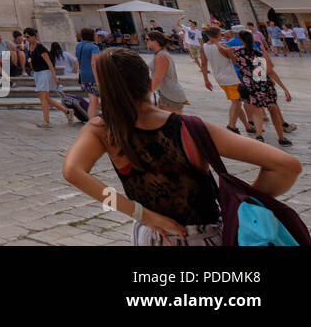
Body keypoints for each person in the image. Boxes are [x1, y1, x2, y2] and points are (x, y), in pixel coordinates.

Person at [62, 47, 302, 246]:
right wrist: (242, 202)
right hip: (204, 237)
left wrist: (139, 213)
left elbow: (72, 172)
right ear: (149, 84)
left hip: (151, 235)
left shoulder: (102, 129)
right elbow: (286, 165)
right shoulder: (190, 128)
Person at [231, 30, 294, 146]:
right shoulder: (258, 53)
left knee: (256, 111)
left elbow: (225, 51)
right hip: (263, 85)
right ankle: (281, 138)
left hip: (250, 85)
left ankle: (259, 135)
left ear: (241, 40)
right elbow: (268, 71)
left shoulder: (237, 53)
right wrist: (284, 89)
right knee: (273, 110)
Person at [199, 25, 253, 134]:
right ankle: (231, 125)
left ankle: (247, 126)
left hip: (219, 78)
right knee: (236, 103)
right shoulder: (222, 47)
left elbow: (203, 64)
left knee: (236, 102)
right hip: (230, 78)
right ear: (219, 35)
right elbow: (236, 61)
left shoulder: (204, 47)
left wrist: (206, 79)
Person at [25, 28, 73, 127]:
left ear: (34, 36)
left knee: (42, 97)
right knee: (46, 98)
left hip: (45, 73)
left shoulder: (40, 47)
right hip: (37, 73)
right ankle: (67, 111)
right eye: (25, 37)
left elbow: (49, 63)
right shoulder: (29, 46)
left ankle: (46, 121)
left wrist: (54, 76)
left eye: (28, 37)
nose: (26, 39)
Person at [146, 30, 187, 114]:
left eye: (147, 39)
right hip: (166, 93)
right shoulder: (160, 54)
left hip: (170, 95)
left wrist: (146, 95)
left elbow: (157, 79)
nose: (145, 41)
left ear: (155, 41)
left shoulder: (161, 56)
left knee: (173, 124)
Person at [75, 27, 101, 119]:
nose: (97, 36)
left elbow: (77, 60)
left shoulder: (78, 45)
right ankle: (93, 120)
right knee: (94, 101)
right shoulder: (94, 47)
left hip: (83, 76)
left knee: (93, 100)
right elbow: (94, 63)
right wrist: (98, 80)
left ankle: (93, 118)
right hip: (93, 76)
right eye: (95, 34)